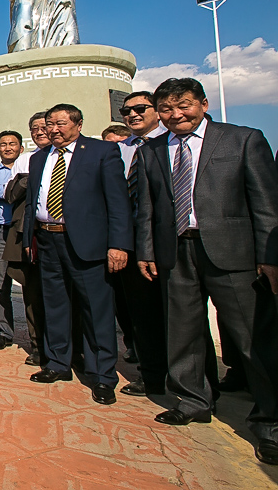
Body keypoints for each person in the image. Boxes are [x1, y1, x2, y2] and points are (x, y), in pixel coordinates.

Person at [135, 77, 278, 465]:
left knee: (252, 336)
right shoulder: (151, 151)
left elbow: (266, 203)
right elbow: (147, 206)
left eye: (183, 105)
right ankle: (193, 399)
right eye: (166, 109)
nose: (175, 115)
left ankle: (270, 421)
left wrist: (270, 256)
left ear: (202, 102)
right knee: (182, 330)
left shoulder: (242, 139)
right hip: (175, 251)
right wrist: (146, 250)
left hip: (234, 253)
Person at [23, 103, 132, 406]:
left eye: (60, 123)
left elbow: (118, 202)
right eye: (49, 124)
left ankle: (102, 375)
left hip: (87, 243)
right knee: (54, 304)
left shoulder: (101, 152)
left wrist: (119, 244)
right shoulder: (39, 158)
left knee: (95, 310)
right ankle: (58, 362)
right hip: (47, 241)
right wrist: (30, 239)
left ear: (78, 124)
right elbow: (34, 200)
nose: (53, 130)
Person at [113, 91, 168, 397]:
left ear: (157, 111)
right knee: (142, 314)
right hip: (132, 241)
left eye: (140, 108)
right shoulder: (118, 151)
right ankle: (153, 375)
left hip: (172, 241)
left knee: (184, 315)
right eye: (126, 110)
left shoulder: (172, 143)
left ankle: (200, 382)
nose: (132, 114)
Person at [2, 112, 51, 366]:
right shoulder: (25, 161)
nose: (40, 131)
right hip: (28, 234)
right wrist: (28, 179)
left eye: (46, 126)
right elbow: (10, 195)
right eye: (35, 128)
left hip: (62, 235)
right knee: (32, 293)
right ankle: (38, 346)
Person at [0, 130, 22, 351]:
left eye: (12, 144)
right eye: (3, 144)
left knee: (30, 283)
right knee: (1, 284)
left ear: (20, 147)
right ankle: (4, 331)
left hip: (21, 231)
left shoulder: (27, 168)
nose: (8, 147)